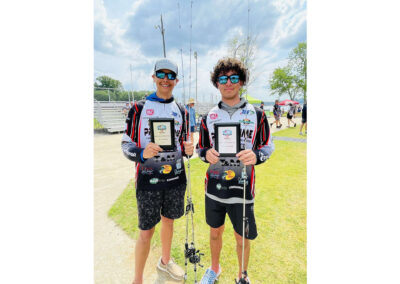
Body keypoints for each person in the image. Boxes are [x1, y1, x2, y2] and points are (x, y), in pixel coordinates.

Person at [197, 58, 274, 283]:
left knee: (242, 237)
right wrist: (205, 154)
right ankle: (214, 269)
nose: (228, 83)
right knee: (214, 233)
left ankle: (242, 275)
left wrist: (257, 156)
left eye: (233, 78)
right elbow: (201, 148)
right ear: (217, 83)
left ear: (241, 82)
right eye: (222, 78)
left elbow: (268, 146)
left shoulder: (257, 114)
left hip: (242, 189)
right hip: (214, 189)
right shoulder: (208, 116)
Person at [121, 58, 194, 284]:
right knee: (146, 231)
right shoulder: (138, 108)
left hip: (175, 179)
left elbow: (184, 146)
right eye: (161, 74)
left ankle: (165, 262)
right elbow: (126, 145)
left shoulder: (182, 110)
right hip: (148, 180)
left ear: (176, 81)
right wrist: (143, 153)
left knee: (169, 221)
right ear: (153, 77)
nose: (165, 79)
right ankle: (138, 279)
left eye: (170, 75)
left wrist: (188, 149)